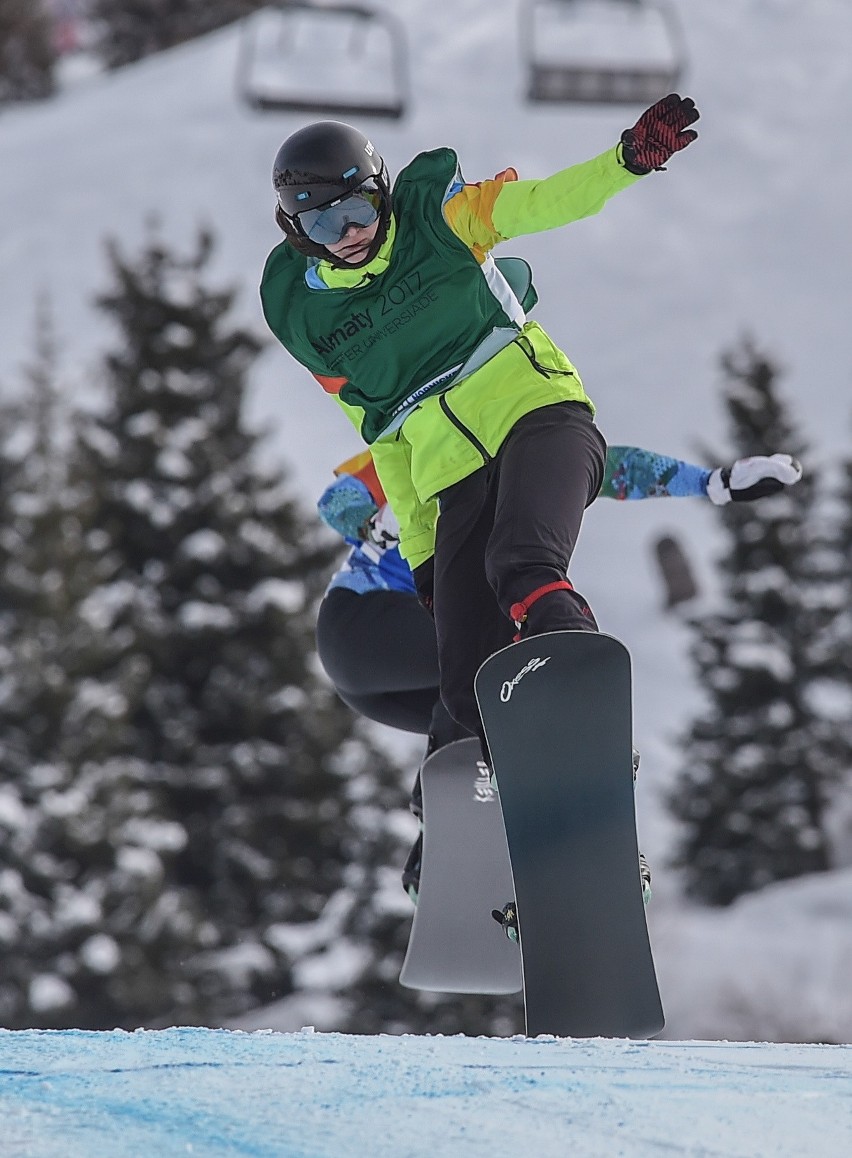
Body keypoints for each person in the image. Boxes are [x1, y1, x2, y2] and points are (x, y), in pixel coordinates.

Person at [260, 95, 701, 765]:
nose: (348, 232)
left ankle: (583, 721)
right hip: (451, 480)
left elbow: (545, 203)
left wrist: (626, 162)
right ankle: (467, 820)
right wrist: (423, 557)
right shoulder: (312, 320)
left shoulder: (440, 218)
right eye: (323, 223)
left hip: (539, 418)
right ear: (296, 231)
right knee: (465, 674)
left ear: (383, 196)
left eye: (359, 210)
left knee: (523, 566)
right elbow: (385, 439)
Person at [314, 445, 803, 903]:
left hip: (424, 675)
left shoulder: (533, 454)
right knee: (505, 650)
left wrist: (713, 483)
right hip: (362, 627)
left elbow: (613, 468)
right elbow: (339, 498)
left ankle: (449, 861)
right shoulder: (421, 440)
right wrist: (374, 524)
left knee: (504, 703)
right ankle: (527, 806)